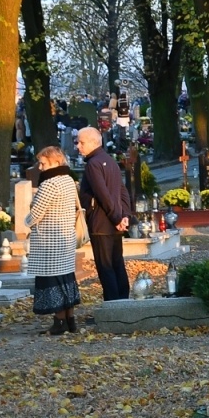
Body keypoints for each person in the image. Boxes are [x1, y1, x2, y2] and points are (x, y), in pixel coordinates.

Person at [27, 145, 82, 334]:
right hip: (65, 236)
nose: (40, 167)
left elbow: (36, 213)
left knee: (53, 280)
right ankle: (70, 320)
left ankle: (59, 322)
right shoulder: (68, 179)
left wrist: (26, 221)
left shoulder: (49, 183)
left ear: (55, 162)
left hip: (50, 239)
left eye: (43, 163)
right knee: (66, 278)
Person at [76, 126, 131, 301]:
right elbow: (122, 191)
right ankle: (123, 302)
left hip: (101, 223)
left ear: (93, 142)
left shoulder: (93, 164)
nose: (78, 146)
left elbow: (102, 194)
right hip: (115, 222)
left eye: (81, 142)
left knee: (106, 267)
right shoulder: (109, 160)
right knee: (117, 264)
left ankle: (113, 306)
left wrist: (117, 218)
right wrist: (124, 216)